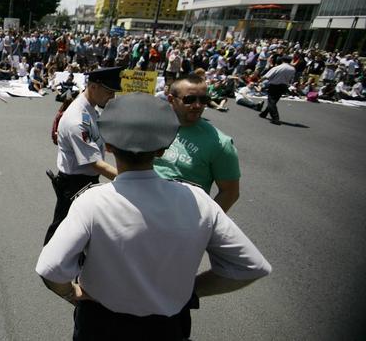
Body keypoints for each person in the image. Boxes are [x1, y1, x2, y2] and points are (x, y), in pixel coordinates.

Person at [36, 93, 272, 341]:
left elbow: (51, 269)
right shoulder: (199, 200)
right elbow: (250, 267)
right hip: (168, 326)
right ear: (163, 148)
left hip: (101, 323)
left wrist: (72, 292)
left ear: (108, 145)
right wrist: (190, 289)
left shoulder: (92, 201)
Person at [44, 67, 122, 244]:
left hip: (84, 181)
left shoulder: (90, 109)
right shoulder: (77, 119)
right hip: (75, 183)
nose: (113, 97)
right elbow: (96, 164)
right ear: (94, 87)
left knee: (80, 231)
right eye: (109, 92)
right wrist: (129, 178)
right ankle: (49, 268)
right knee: (63, 231)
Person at [154, 74, 241, 212]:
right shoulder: (152, 126)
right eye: (190, 99)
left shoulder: (220, 143)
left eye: (204, 99)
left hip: (181, 221)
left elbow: (230, 193)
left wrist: (204, 222)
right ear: (171, 99)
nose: (198, 105)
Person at [258, 56, 296, 125]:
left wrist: (260, 79)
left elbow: (267, 76)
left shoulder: (278, 67)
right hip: (283, 86)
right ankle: (264, 113)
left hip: (274, 85)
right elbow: (291, 79)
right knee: (274, 101)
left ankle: (275, 118)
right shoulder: (292, 69)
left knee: (271, 101)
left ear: (282, 60)